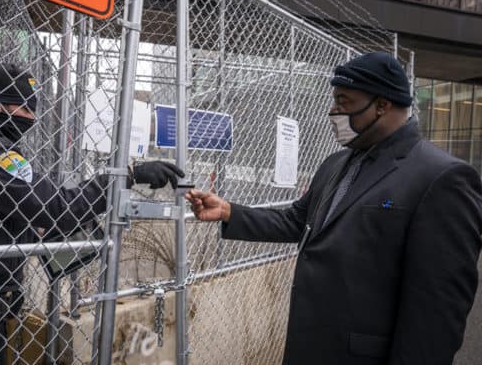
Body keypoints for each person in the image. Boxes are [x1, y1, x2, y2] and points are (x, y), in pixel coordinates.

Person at [186, 52, 482, 364]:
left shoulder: (442, 178)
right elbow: (297, 220)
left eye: (344, 102)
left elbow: (436, 314)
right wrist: (230, 212)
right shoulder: (337, 163)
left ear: (382, 105)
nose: (333, 111)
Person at [0, 63, 184, 365]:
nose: (32, 117)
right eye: (25, 107)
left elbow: (14, 210)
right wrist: (126, 176)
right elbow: (55, 207)